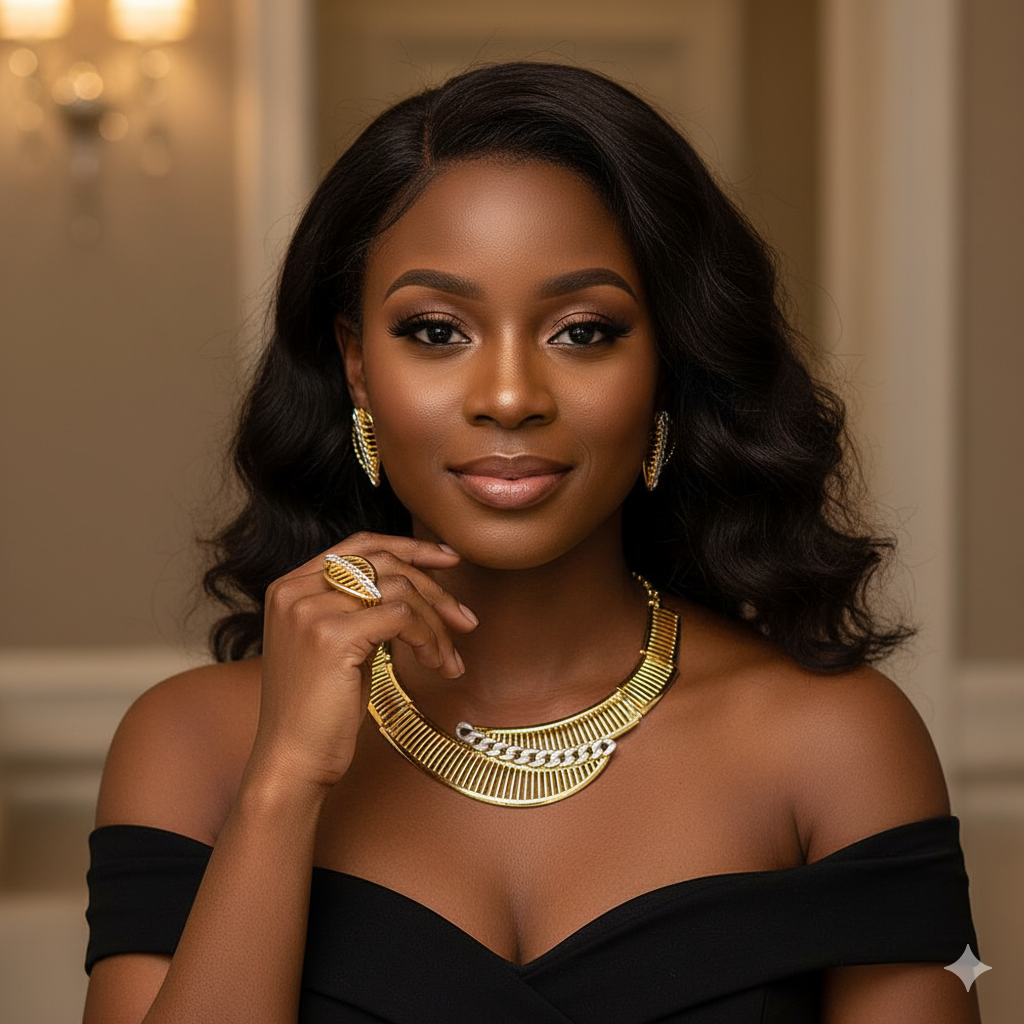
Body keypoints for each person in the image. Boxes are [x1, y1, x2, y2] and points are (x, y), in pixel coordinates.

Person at [82, 62, 980, 1023]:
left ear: (668, 367)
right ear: (356, 366)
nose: (510, 396)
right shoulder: (193, 746)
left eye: (584, 331)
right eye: (435, 330)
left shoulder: (834, 744)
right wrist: (284, 782)